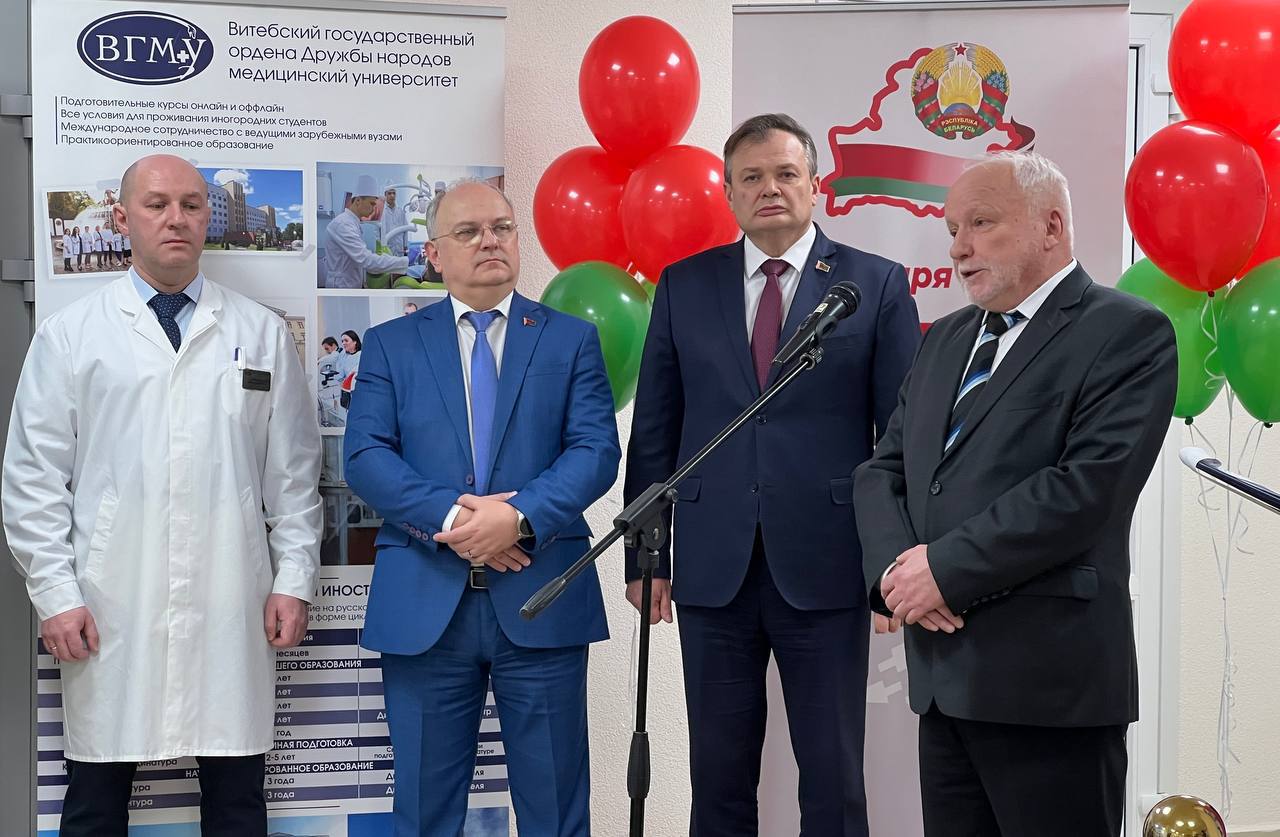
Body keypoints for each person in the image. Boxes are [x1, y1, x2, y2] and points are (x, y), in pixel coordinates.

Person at [853, 152, 1178, 837]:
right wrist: (895, 574)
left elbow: (1083, 490)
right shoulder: (944, 339)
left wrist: (943, 570)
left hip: (1049, 688)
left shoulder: (1127, 331)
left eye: (981, 223)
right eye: (952, 229)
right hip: (943, 684)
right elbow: (884, 470)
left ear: (1050, 226)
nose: (958, 248)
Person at [2, 154, 322, 837]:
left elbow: (293, 475)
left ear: (208, 218)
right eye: (156, 204)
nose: (176, 218)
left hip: (232, 599)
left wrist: (293, 579)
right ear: (122, 219)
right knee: (95, 803)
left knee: (237, 803)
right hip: (112, 600)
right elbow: (33, 479)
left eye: (192, 204)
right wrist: (55, 593)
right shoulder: (72, 335)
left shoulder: (259, 332)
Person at [623, 113, 921, 837]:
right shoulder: (685, 285)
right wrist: (645, 557)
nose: (769, 189)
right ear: (728, 193)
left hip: (828, 561)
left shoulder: (873, 284)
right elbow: (656, 427)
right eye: (751, 177)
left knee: (833, 774)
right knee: (718, 776)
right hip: (712, 566)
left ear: (816, 186)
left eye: (786, 174)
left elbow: (902, 437)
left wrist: (893, 558)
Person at [344, 180, 619, 836]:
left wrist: (516, 518)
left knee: (556, 812)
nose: (490, 240)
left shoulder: (569, 340)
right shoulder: (391, 345)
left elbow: (595, 451)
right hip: (425, 605)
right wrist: (456, 520)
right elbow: (366, 457)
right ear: (435, 254)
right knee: (423, 813)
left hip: (540, 599)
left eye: (502, 227)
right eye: (468, 231)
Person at [323, 174, 408, 288]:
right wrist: (404, 262)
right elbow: (366, 260)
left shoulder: (353, 223)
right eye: (372, 204)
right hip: (342, 286)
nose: (374, 209)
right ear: (358, 200)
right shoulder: (343, 224)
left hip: (351, 283)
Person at [381, 185, 409, 257]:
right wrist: (380, 249)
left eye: (394, 193)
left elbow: (406, 230)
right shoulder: (382, 212)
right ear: (385, 195)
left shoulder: (400, 211)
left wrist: (405, 246)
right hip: (386, 249)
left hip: (400, 249)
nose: (392, 195)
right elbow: (377, 233)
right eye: (389, 193)